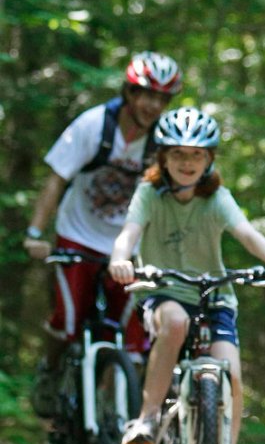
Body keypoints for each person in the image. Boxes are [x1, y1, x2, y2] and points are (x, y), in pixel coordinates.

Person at [109, 106, 265, 444]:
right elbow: (129, 234)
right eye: (178, 154)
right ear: (162, 158)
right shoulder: (149, 195)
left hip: (213, 297)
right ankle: (147, 418)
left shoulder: (217, 199)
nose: (187, 163)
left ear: (209, 159)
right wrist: (121, 259)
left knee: (229, 372)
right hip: (161, 291)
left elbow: (247, 234)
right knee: (173, 322)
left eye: (196, 155)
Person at [23, 52, 183, 416]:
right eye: (146, 94)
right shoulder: (93, 125)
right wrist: (35, 232)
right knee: (67, 319)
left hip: (127, 245)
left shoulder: (163, 140)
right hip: (77, 235)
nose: (153, 105)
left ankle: (110, 408)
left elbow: (175, 196)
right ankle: (50, 372)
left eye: (162, 98)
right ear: (128, 92)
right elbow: (56, 180)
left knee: (131, 334)